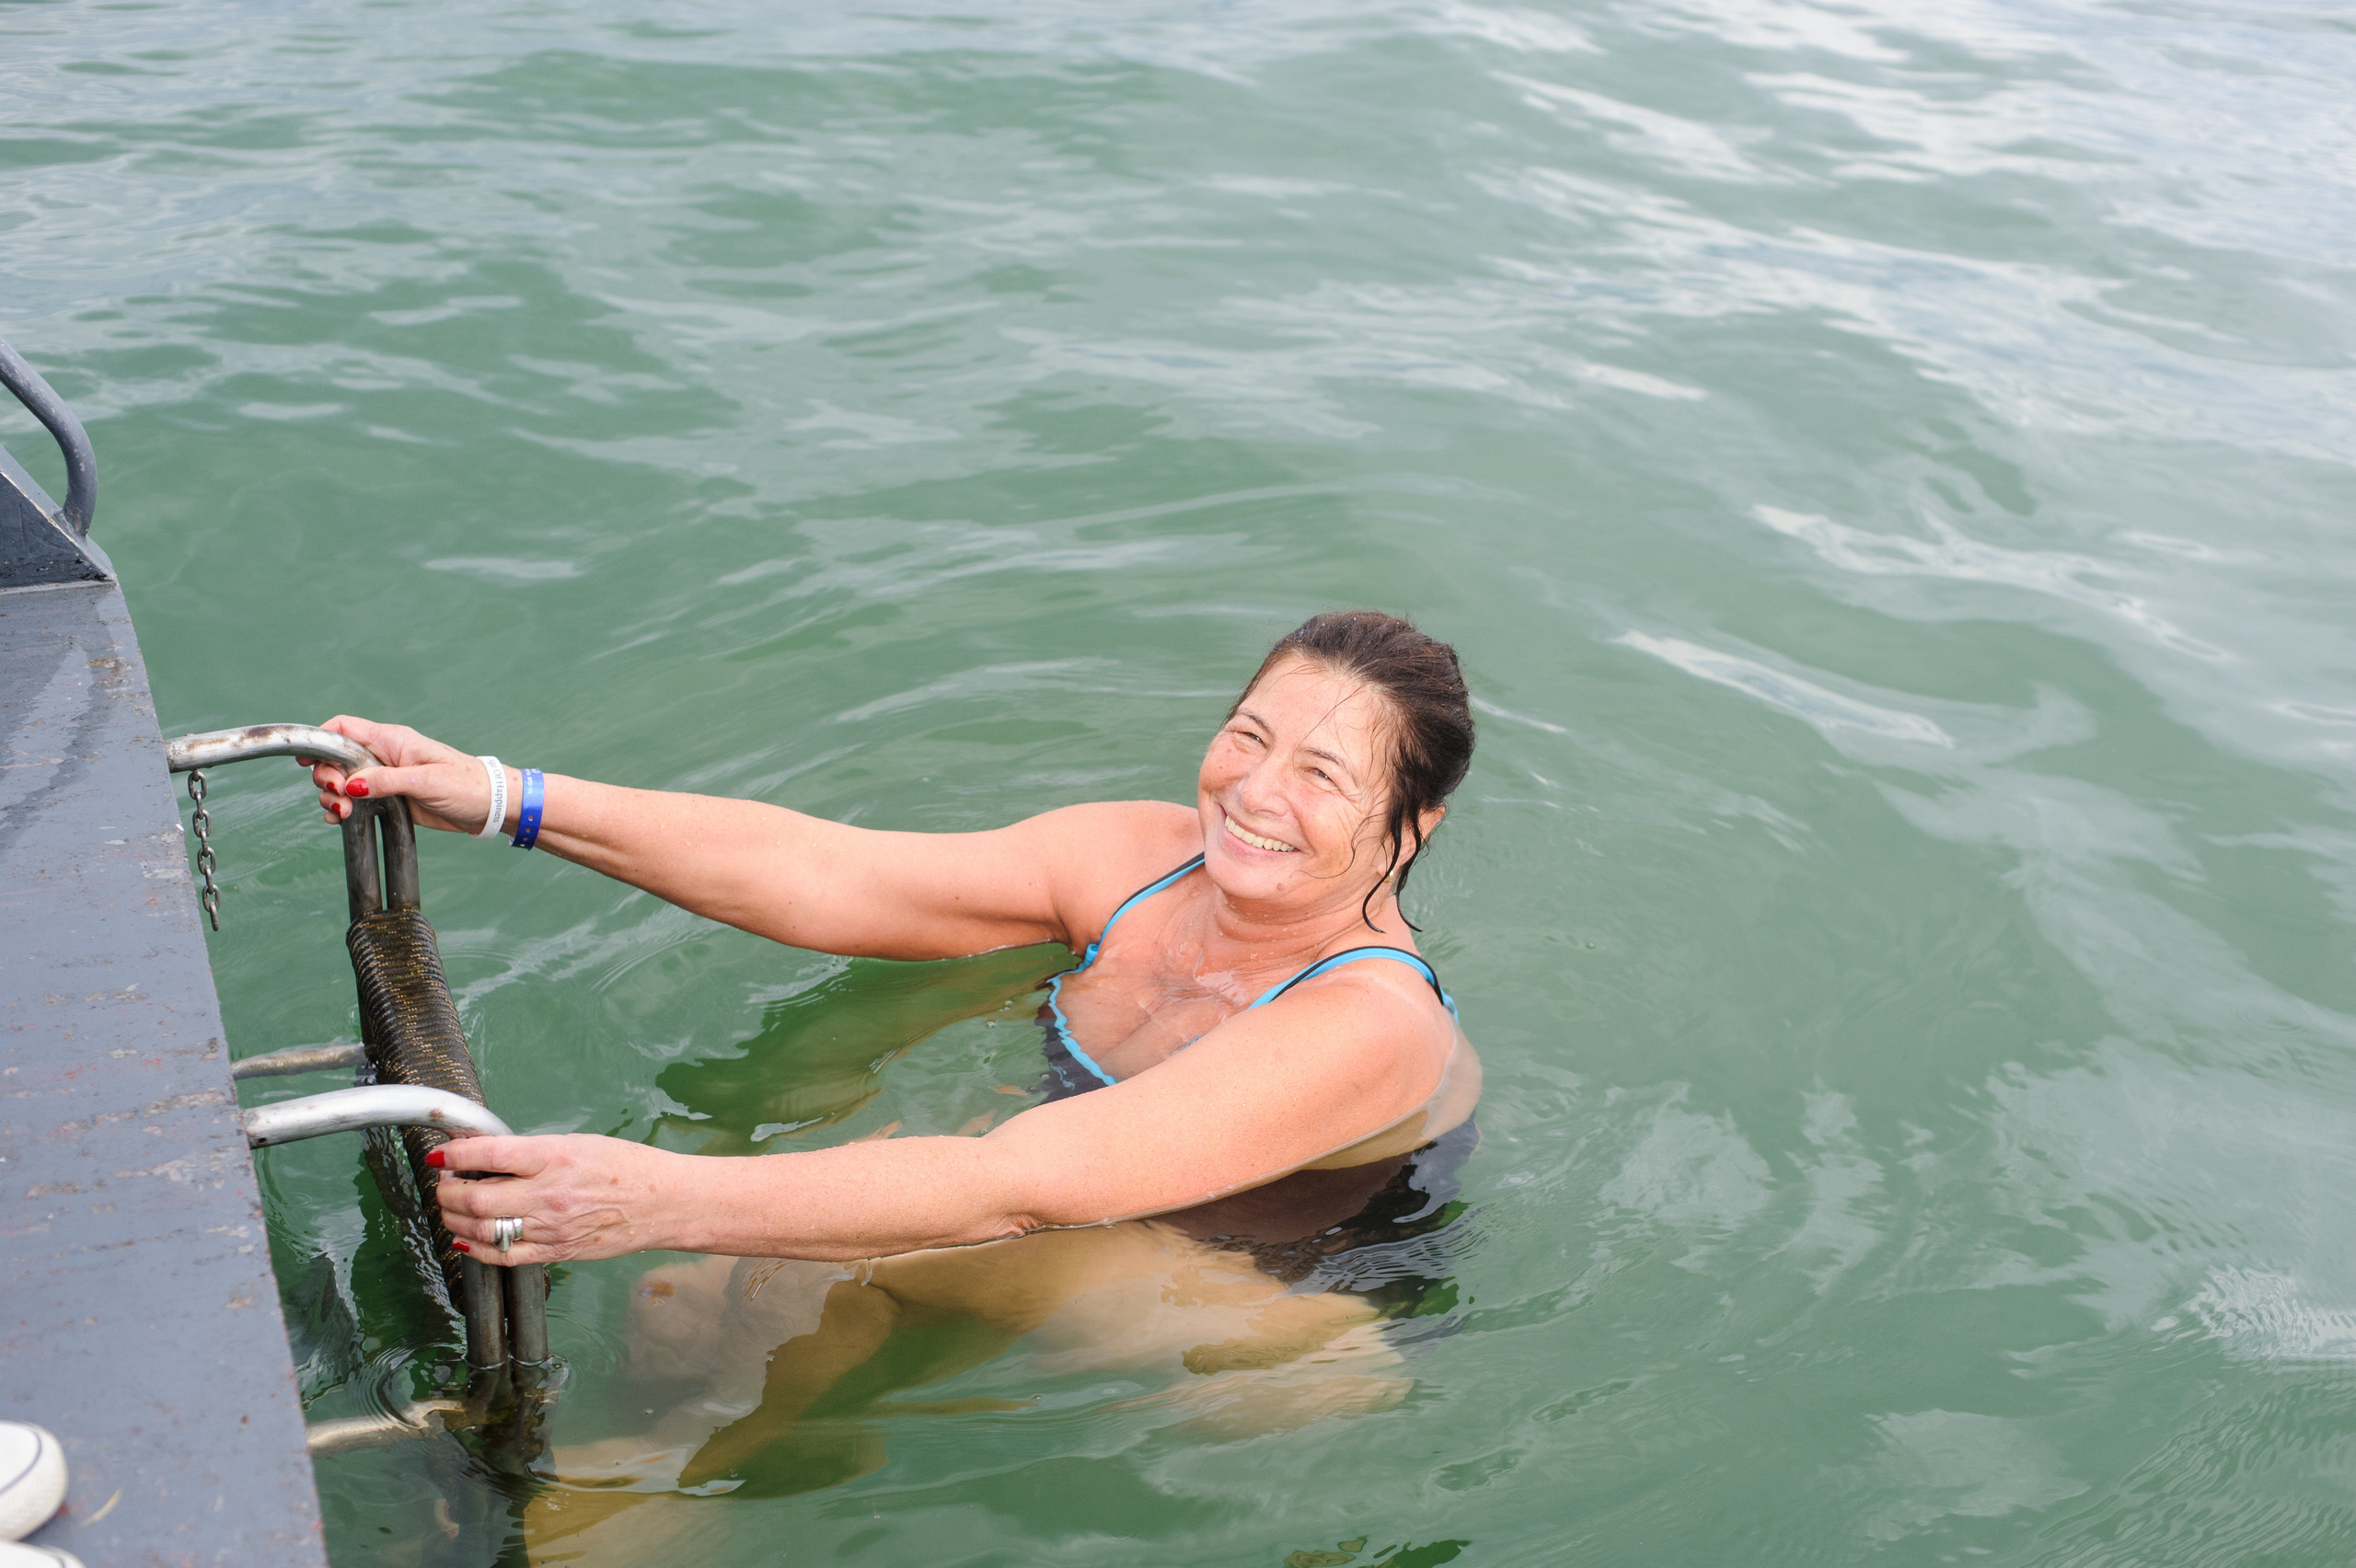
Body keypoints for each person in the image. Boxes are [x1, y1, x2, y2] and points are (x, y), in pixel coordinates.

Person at [306, 609, 1481, 1522]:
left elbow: (1024, 1186)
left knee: (812, 1267)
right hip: (1091, 1213)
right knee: (679, 1299)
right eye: (1248, 736)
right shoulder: (1143, 859)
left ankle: (653, 1495)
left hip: (1283, 1331)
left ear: (1410, 825)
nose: (1256, 793)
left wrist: (650, 1195)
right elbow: (838, 876)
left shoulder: (1368, 1017)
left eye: (1323, 775)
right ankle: (681, 1453)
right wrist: (502, 794)